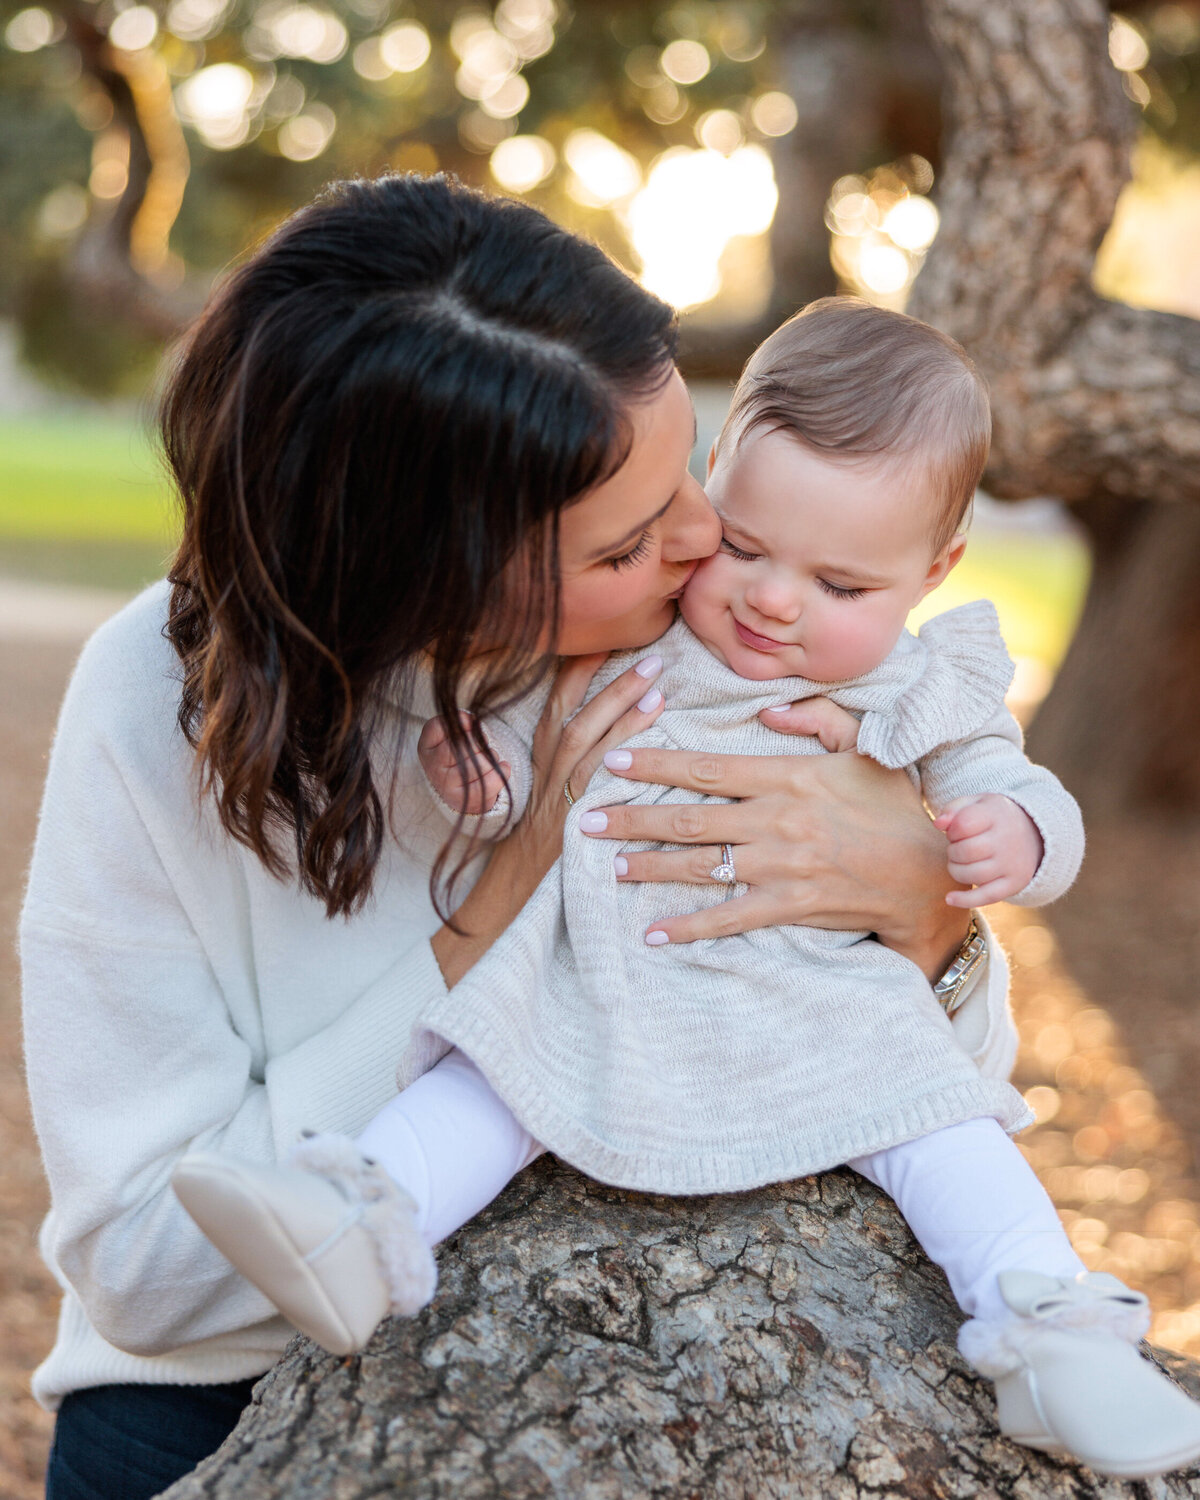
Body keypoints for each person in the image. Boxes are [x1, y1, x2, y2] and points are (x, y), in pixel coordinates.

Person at [23, 176, 1013, 1500]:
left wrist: (922, 910)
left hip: (595, 1392)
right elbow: (150, 1269)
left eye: (690, 469)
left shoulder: (716, 628)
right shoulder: (151, 707)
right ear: (428, 578)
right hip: (206, 1417)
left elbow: (918, 1088)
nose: (709, 540)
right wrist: (498, 901)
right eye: (622, 546)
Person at [173, 298, 1200, 1480]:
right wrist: (481, 771)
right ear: (713, 486)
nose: (772, 601)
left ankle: (1050, 1331)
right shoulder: (633, 635)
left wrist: (1009, 834)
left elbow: (1029, 796)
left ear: (934, 571)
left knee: (944, 1130)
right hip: (606, 968)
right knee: (494, 1079)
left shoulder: (919, 688)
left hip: (817, 996)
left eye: (841, 584)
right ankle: (357, 1220)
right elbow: (537, 756)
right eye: (748, 548)